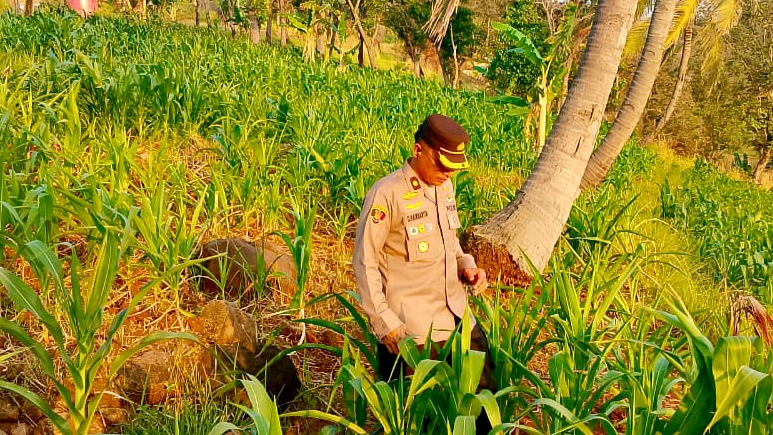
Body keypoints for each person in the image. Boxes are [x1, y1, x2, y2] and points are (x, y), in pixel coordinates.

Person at [353, 114, 497, 426]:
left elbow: (450, 241)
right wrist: (384, 322)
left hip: (457, 317)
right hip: (412, 331)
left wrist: (467, 266)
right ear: (418, 150)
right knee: (421, 423)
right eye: (442, 165)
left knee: (484, 411)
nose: (448, 174)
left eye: (454, 168)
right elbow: (365, 261)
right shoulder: (386, 194)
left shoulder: (444, 188)